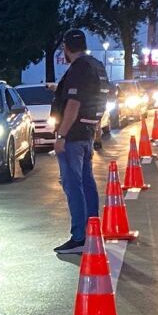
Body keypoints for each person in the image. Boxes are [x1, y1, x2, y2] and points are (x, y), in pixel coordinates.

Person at [52, 29, 105, 254]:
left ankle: (79, 237)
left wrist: (61, 136)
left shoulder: (78, 68)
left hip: (73, 135)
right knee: (86, 182)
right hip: (87, 131)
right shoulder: (96, 66)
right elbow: (96, 98)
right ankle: (93, 230)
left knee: (73, 184)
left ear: (66, 47)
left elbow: (73, 104)